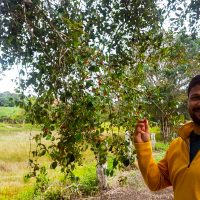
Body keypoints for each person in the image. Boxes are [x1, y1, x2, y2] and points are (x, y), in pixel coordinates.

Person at [133, 74, 200, 200]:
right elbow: (155, 182)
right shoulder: (178, 144)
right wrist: (143, 146)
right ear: (188, 102)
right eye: (195, 97)